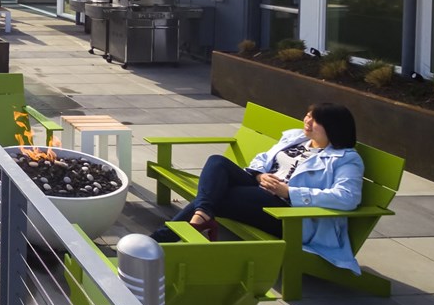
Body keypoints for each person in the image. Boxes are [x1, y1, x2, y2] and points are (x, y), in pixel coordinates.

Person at [152, 103, 364, 273]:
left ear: (333, 128)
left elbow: (347, 197)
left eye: (315, 119)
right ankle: (200, 217)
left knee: (220, 195)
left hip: (286, 212)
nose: (307, 121)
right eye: (308, 115)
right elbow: (262, 158)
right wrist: (260, 175)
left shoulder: (346, 160)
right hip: (259, 190)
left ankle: (162, 239)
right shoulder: (296, 139)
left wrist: (288, 192)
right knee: (217, 162)